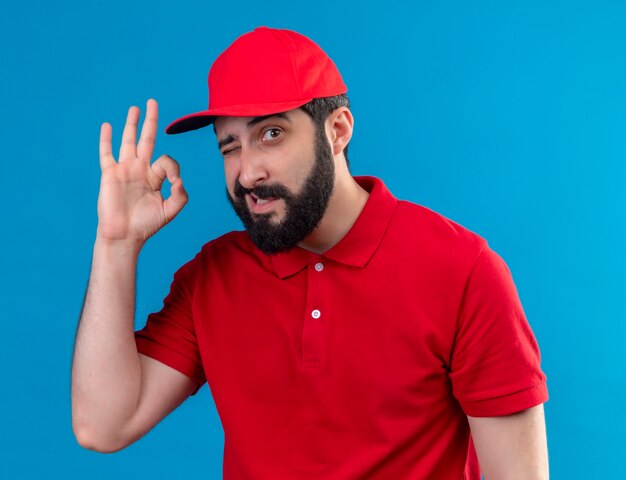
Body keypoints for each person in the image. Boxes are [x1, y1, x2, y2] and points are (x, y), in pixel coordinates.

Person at [72, 27, 549, 479]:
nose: (247, 173)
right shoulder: (212, 276)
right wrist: (116, 244)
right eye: (229, 147)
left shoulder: (462, 271)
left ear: (337, 130)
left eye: (271, 134)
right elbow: (104, 425)